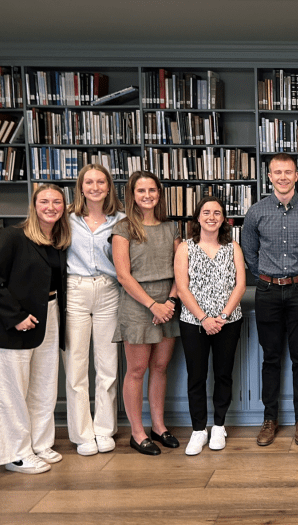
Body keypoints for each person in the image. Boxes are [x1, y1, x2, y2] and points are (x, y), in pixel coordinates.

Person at [241, 153, 298, 447]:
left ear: (296, 175)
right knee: (271, 358)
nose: (282, 177)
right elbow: (249, 254)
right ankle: (270, 419)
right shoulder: (256, 212)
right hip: (266, 292)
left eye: (287, 172)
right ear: (269, 176)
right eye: (277, 172)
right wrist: (268, 278)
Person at [0, 184, 69, 474]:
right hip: (17, 322)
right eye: (44, 201)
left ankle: (39, 443)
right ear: (34, 204)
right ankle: (16, 453)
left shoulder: (57, 240)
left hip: (50, 313)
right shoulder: (14, 236)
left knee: (44, 383)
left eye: (57, 202)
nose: (51, 207)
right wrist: (14, 316)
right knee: (14, 389)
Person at [112, 171, 181, 456]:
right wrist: (153, 306)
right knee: (137, 370)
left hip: (168, 302)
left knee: (161, 367)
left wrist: (170, 302)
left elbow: (181, 270)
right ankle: (137, 433)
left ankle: (158, 426)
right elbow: (123, 276)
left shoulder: (171, 228)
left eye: (152, 190)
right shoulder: (123, 228)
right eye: (141, 191)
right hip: (137, 304)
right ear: (132, 195)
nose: (147, 195)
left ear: (159, 193)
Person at [63, 164, 125, 457]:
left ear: (109, 186)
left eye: (101, 181)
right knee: (76, 365)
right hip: (75, 290)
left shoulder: (121, 220)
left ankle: (103, 429)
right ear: (81, 186)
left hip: (109, 291)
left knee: (107, 365)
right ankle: (82, 433)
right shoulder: (66, 217)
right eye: (89, 182)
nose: (95, 187)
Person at [176, 196, 246, 456]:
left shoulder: (233, 247)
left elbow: (240, 284)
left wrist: (223, 316)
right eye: (206, 212)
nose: (211, 217)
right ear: (197, 217)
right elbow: (182, 287)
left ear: (223, 219)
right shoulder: (185, 248)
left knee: (223, 374)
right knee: (196, 377)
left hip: (228, 321)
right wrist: (204, 318)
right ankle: (198, 430)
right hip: (193, 322)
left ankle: (218, 425)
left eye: (217, 213)